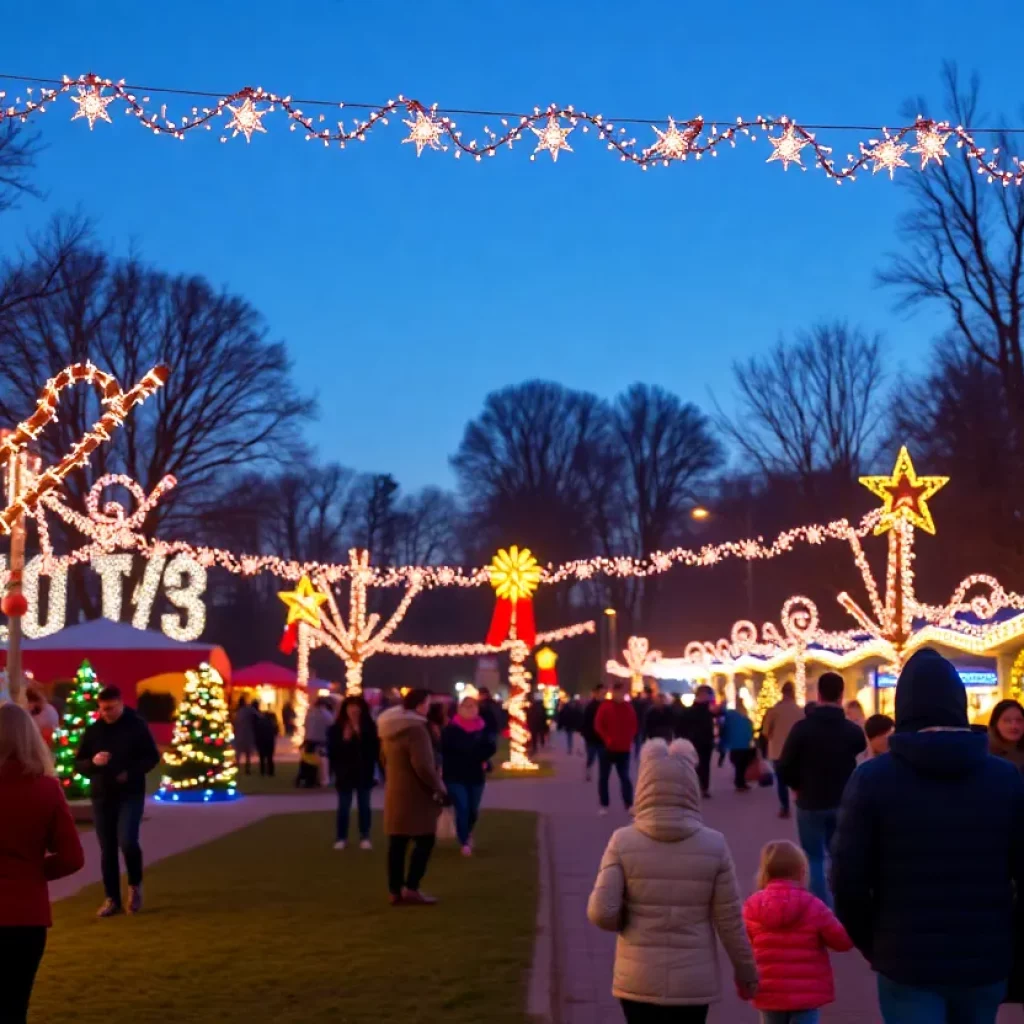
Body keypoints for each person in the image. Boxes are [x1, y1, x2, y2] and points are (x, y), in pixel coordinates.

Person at [832, 648, 1024, 1021]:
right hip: (984, 956)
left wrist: (877, 945)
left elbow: (848, 880)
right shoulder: (1004, 778)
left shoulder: (873, 779)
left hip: (906, 959)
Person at [587, 738, 758, 1022]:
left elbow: (601, 913)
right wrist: (746, 972)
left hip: (638, 978)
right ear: (691, 788)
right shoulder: (714, 845)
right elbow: (729, 921)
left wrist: (626, 921)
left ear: (643, 786)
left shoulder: (622, 841)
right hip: (693, 981)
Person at [0, 703, 85, 1023]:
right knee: (15, 1004)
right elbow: (73, 857)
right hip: (26, 914)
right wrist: (32, 873)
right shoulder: (46, 789)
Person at [776, 672, 865, 906]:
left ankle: (823, 910)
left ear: (819, 694)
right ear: (841, 695)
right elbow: (860, 746)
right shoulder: (851, 732)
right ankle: (845, 907)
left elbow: (784, 765)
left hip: (810, 801)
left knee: (813, 858)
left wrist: (796, 786)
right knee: (839, 856)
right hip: (842, 801)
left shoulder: (802, 729)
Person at [742, 840, 853, 1024]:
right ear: (801, 871)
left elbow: (745, 946)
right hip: (806, 994)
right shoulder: (813, 906)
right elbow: (842, 942)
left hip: (768, 991)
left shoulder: (752, 907)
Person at [74, 685, 160, 917]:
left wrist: (130, 772)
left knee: (128, 841)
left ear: (121, 703)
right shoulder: (94, 730)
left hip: (129, 793)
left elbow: (152, 757)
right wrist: (93, 763)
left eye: (111, 708)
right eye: (102, 709)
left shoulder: (136, 726)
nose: (107, 713)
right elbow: (78, 763)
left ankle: (135, 886)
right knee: (107, 849)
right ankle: (112, 898)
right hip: (102, 796)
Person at [378, 688, 447, 906]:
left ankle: (394, 891)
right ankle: (412, 888)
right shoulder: (416, 729)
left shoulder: (388, 727)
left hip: (395, 791)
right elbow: (423, 765)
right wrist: (440, 789)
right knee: (425, 839)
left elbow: (383, 759)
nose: (428, 708)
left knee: (397, 843)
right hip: (417, 794)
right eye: (427, 703)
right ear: (419, 705)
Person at [441, 696, 497, 856]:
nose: (470, 709)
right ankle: (464, 841)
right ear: (459, 709)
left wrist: (480, 755)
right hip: (455, 775)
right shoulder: (451, 729)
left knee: (473, 809)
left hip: (476, 775)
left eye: (473, 706)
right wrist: (475, 752)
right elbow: (450, 750)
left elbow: (490, 747)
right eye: (466, 706)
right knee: (462, 807)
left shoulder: (482, 728)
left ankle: (468, 831)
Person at [327, 695, 379, 851]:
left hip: (364, 772)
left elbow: (374, 751)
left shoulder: (370, 727)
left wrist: (360, 734)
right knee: (344, 806)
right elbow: (333, 752)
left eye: (357, 706)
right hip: (345, 773)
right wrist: (345, 739)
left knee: (364, 806)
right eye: (351, 706)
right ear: (345, 709)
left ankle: (365, 836)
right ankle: (341, 837)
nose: (354, 710)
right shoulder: (336, 728)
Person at [761, 682, 803, 818]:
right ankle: (800, 803)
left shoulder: (774, 710)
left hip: (778, 751)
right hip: (797, 751)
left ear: (782, 693)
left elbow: (766, 732)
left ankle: (785, 808)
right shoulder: (800, 710)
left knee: (781, 781)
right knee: (798, 779)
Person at [595, 682, 638, 814]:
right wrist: (607, 739)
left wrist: (629, 739)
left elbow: (634, 725)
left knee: (625, 777)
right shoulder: (605, 706)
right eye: (617, 692)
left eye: (621, 693)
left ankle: (629, 803)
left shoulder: (628, 708)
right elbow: (598, 725)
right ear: (613, 692)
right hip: (607, 748)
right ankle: (604, 804)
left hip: (623, 748)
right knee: (604, 777)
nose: (619, 695)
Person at [677, 685, 716, 798]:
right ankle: (697, 788)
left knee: (703, 765)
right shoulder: (694, 711)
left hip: (704, 741)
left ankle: (703, 787)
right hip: (694, 741)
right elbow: (681, 727)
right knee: (696, 765)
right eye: (707, 695)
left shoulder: (707, 710)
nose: (708, 697)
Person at [719, 702, 756, 793]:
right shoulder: (746, 720)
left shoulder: (730, 717)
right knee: (742, 765)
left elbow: (724, 728)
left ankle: (740, 783)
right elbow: (750, 733)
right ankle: (740, 783)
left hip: (734, 745)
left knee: (738, 765)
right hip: (745, 746)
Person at [988, 699, 1024, 769]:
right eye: (1007, 721)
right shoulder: (984, 755)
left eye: (1019, 720)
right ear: (995, 724)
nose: (1014, 726)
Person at [582, 684, 606, 782]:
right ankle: (588, 770)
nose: (602, 695)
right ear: (596, 693)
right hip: (591, 737)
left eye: (604, 693)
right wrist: (586, 735)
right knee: (591, 757)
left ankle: (602, 776)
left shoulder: (606, 706)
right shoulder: (590, 707)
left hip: (602, 738)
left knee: (603, 759)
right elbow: (585, 722)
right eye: (601, 693)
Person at [233, 695, 257, 775]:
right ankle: (247, 768)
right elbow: (257, 715)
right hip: (247, 733)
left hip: (239, 734)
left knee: (238, 752)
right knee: (247, 752)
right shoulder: (248, 710)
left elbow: (235, 723)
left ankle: (238, 766)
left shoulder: (238, 712)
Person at [254, 705, 279, 777]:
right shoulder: (272, 723)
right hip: (269, 741)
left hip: (262, 741)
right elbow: (275, 732)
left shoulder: (260, 723)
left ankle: (262, 771)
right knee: (269, 757)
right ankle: (270, 772)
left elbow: (257, 732)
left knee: (262, 757)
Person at [632, 687, 653, 757]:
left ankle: (638, 754)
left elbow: (637, 713)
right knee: (644, 741)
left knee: (640, 741)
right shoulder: (652, 702)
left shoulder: (642, 702)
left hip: (642, 724)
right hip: (646, 725)